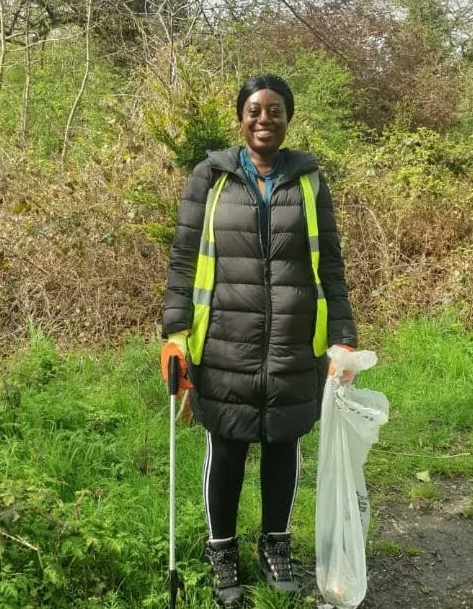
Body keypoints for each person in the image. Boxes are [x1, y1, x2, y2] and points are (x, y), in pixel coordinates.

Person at [160, 74, 357, 606]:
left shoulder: (309, 181)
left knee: (283, 445)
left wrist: (342, 337)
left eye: (275, 111)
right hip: (225, 341)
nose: (264, 119)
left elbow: (330, 265)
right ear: (240, 118)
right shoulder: (210, 178)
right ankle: (221, 551)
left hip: (295, 341)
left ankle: (275, 545)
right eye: (254, 110)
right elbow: (183, 260)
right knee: (226, 447)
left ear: (288, 118)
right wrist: (175, 333)